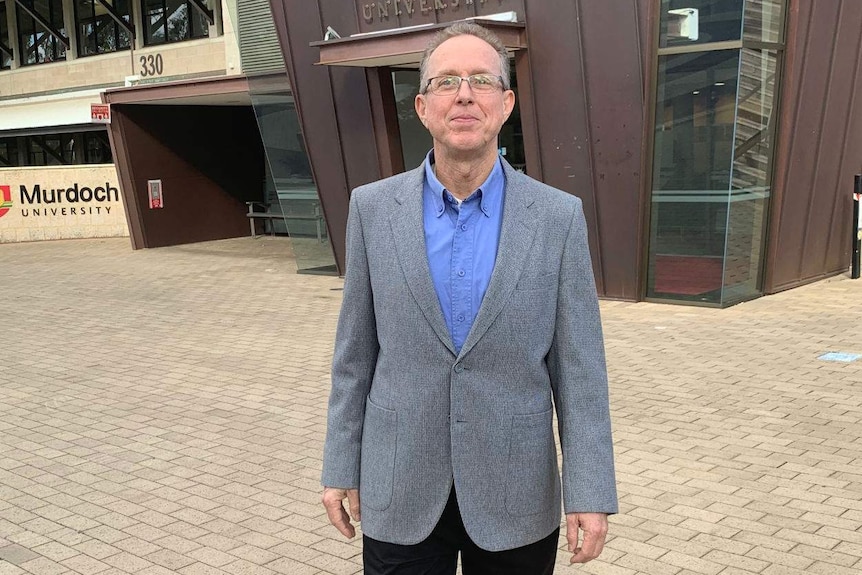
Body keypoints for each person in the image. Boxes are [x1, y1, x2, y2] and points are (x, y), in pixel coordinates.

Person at [321, 21, 617, 575]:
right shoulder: (372, 210)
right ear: (422, 106)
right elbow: (353, 358)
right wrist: (340, 464)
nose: (463, 94)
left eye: (481, 80)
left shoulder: (557, 218)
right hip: (400, 485)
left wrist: (590, 489)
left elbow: (580, 371)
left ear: (505, 104)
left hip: (516, 495)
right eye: (445, 81)